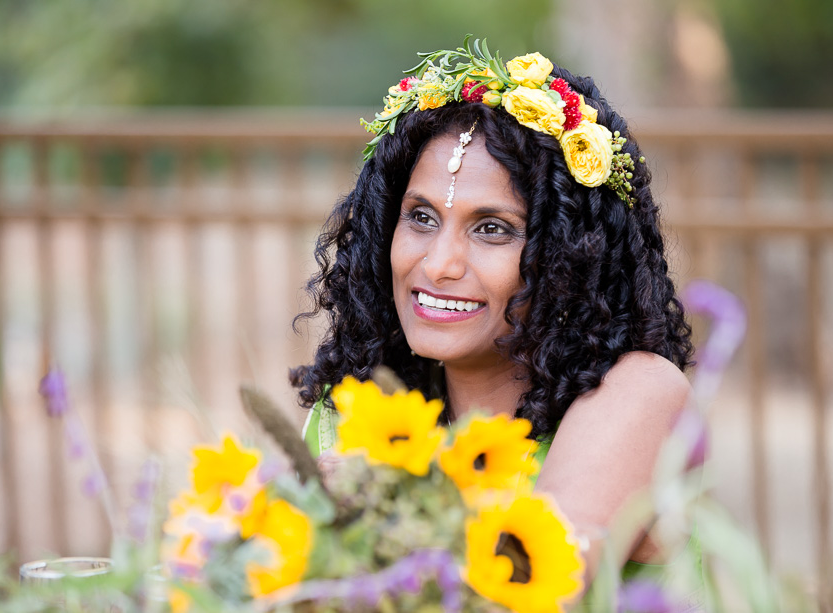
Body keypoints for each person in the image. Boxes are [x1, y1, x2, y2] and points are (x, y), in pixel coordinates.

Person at [290, 39, 694, 576]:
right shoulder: (358, 412)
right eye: (421, 218)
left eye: (492, 229)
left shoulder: (638, 389)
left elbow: (540, 575)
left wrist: (390, 502)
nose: (438, 265)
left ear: (570, 257)